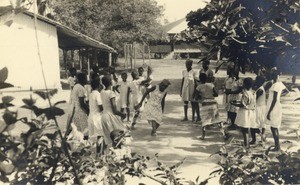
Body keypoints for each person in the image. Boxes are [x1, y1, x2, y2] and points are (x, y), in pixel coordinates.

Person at [195, 74, 226, 140]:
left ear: (200, 79)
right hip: (213, 102)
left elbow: (196, 97)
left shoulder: (199, 87)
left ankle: (203, 136)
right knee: (217, 118)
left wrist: (201, 97)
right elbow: (216, 94)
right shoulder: (212, 85)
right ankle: (223, 134)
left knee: (204, 119)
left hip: (205, 103)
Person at [100, 76, 127, 145]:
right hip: (110, 116)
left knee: (109, 138)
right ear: (110, 82)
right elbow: (114, 110)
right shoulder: (111, 93)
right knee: (119, 136)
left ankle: (107, 153)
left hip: (103, 116)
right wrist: (123, 114)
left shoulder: (102, 92)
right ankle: (117, 152)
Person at [231, 78, 256, 149]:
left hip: (245, 112)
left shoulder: (245, 93)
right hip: (251, 112)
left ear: (245, 84)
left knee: (244, 130)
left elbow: (242, 104)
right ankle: (247, 144)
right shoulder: (253, 92)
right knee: (247, 129)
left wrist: (234, 104)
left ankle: (246, 145)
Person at [266, 70, 287, 151]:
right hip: (277, 106)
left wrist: (269, 112)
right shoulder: (280, 84)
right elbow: (285, 91)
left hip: (274, 107)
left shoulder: (275, 85)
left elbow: (274, 100)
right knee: (275, 127)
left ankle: (277, 146)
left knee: (273, 127)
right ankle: (277, 146)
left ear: (273, 76)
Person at [250, 76, 267, 145]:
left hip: (258, 108)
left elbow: (254, 99)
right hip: (261, 107)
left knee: (252, 124)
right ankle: (262, 136)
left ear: (260, 82)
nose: (255, 81)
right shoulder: (260, 88)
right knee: (262, 123)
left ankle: (255, 138)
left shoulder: (260, 90)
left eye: (256, 80)